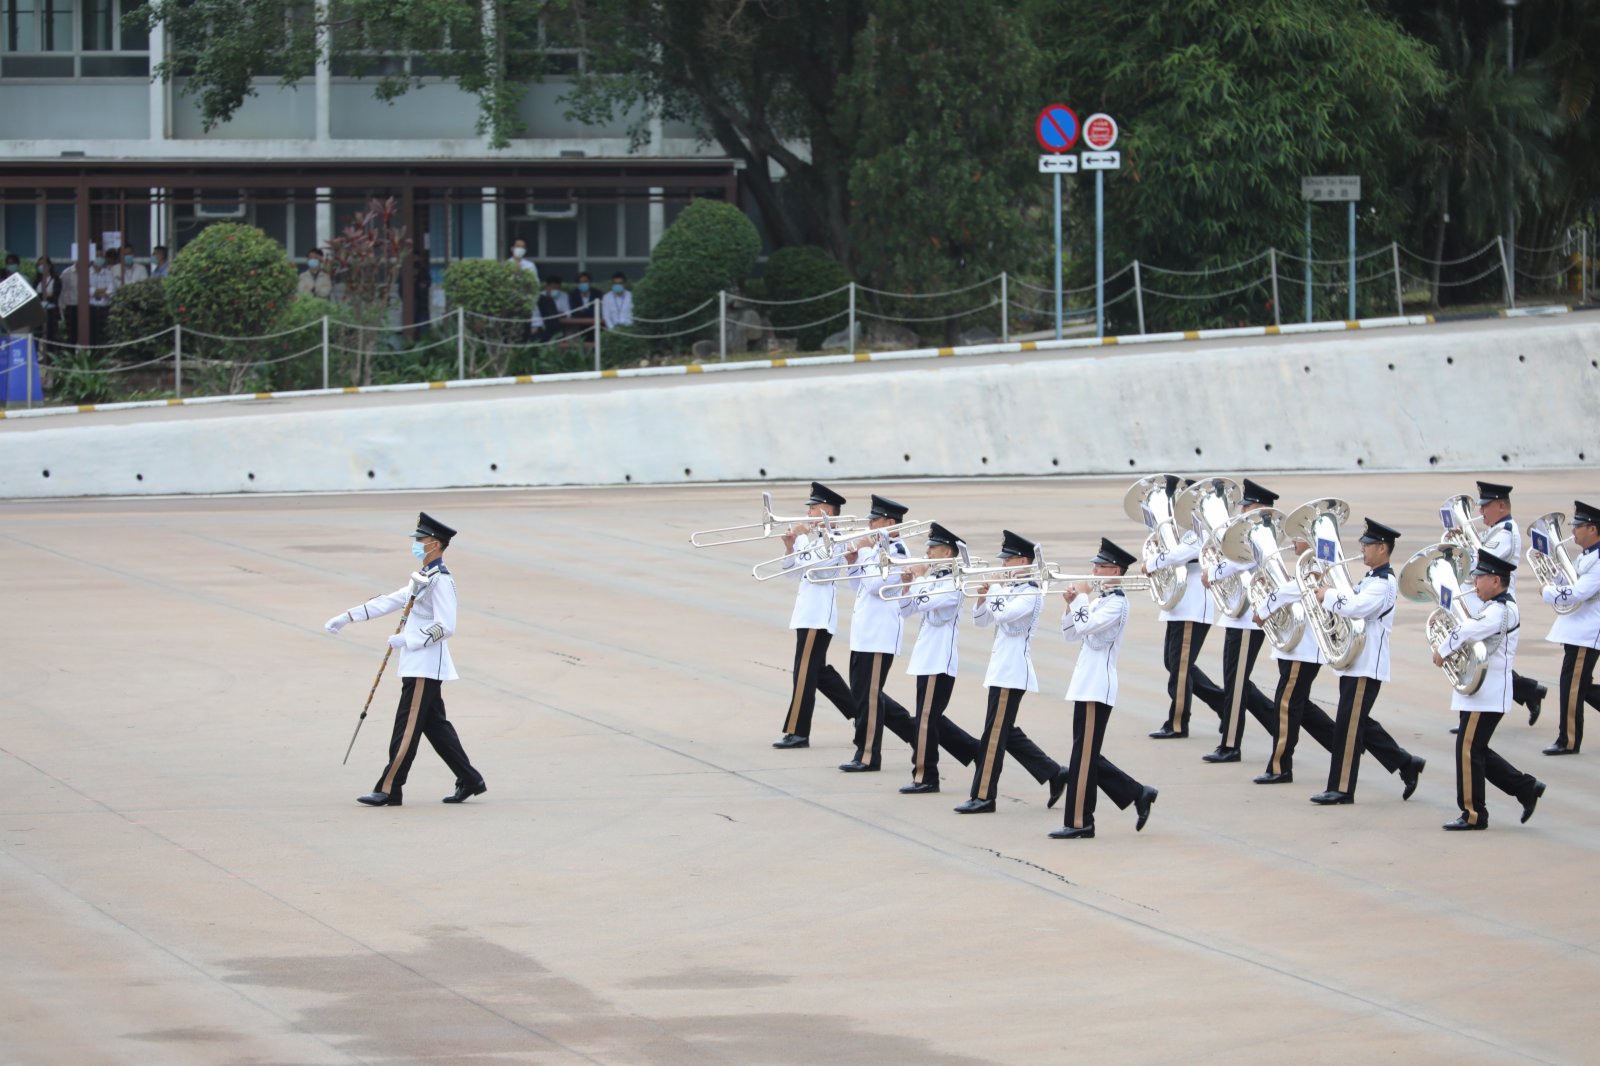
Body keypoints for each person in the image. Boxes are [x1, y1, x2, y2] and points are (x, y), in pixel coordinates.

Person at [323, 512, 486, 807]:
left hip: (425, 665)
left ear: (435, 544)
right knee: (435, 726)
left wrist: (409, 640)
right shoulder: (424, 577)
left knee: (407, 728)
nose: (417, 544)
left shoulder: (441, 581)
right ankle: (470, 779)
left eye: (421, 540)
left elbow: (446, 625)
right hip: (415, 664)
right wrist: (346, 617)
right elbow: (389, 600)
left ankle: (389, 788)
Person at [1308, 518, 1423, 805]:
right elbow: (1349, 597)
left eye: (1367, 545)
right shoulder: (1371, 578)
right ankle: (1406, 763)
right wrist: (1325, 584)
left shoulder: (1384, 583)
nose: (1362, 548)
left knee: (1348, 727)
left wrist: (1328, 595)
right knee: (1358, 722)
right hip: (1355, 661)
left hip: (1366, 664)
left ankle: (1342, 789)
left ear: (1382, 548)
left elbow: (1357, 608)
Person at [954, 530, 1070, 814]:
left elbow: (1005, 616)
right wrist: (982, 598)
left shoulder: (1030, 593)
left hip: (1012, 671)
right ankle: (1053, 773)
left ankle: (984, 796)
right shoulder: (1010, 590)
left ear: (1023, 562)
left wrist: (993, 590)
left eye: (1008, 561)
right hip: (1000, 670)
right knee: (1005, 731)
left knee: (994, 734)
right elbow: (982, 622)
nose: (1004, 566)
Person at [1052, 538, 1159, 839]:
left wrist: (1081, 601)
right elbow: (1071, 634)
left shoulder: (1117, 603)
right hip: (1085, 683)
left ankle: (1079, 822)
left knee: (1082, 756)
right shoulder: (1100, 600)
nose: (1094, 572)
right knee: (1085, 754)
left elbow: (1087, 628)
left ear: (1115, 570)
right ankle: (1138, 793)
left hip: (1098, 686)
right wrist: (1071, 604)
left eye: (1099, 567)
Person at [1434, 552, 1545, 830]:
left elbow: (1470, 629)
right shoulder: (1493, 605)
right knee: (1477, 749)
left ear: (1496, 580)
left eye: (1480, 577)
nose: (1475, 582)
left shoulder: (1501, 610)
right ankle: (1525, 788)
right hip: (1481, 691)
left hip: (1487, 693)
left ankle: (1473, 814)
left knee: (1468, 749)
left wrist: (1443, 649)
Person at [891, 522, 976, 794]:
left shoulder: (953, 582)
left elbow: (926, 602)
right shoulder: (933, 579)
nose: (927, 554)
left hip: (939, 659)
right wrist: (906, 586)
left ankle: (925, 776)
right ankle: (977, 751)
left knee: (926, 720)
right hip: (925, 657)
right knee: (930, 718)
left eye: (933, 548)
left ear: (948, 552)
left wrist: (916, 579)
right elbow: (907, 610)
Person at [771, 483, 857, 749]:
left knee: (804, 674)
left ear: (827, 512)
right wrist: (789, 547)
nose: (808, 514)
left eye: (813, 509)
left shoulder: (836, 539)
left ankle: (798, 731)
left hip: (818, 617)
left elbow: (817, 568)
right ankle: (862, 711)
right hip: (806, 615)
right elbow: (794, 573)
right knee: (818, 673)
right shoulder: (814, 539)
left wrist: (800, 539)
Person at [1200, 478, 1278, 763]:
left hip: (1247, 619)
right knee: (1238, 683)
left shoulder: (1260, 534)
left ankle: (1231, 745)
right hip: (1238, 617)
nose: (1242, 510)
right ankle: (1279, 728)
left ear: (1258, 506)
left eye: (1248, 506)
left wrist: (1215, 572)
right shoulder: (1251, 532)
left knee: (1235, 685)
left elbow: (1242, 560)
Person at [1146, 476, 1227, 738]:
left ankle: (1178, 722)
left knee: (1180, 668)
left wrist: (1154, 562)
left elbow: (1181, 554)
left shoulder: (1204, 529)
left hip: (1192, 605)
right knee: (1175, 664)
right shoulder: (1190, 530)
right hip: (1179, 603)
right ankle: (1222, 703)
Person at [838, 496, 914, 772]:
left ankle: (868, 755)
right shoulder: (876, 549)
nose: (868, 523)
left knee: (869, 698)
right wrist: (853, 560)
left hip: (880, 636)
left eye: (875, 519)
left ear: (889, 523)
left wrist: (866, 552)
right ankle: (918, 734)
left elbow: (874, 586)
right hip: (864, 634)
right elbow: (857, 584)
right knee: (863, 695)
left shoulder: (898, 551)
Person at [1467, 481, 1548, 725]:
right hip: (1482, 599)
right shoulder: (1494, 529)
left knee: (1486, 659)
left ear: (1501, 505)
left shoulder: (1505, 533)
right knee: (1481, 659)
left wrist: (1466, 548)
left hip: (1497, 603)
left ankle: (1527, 691)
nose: (1481, 512)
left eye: (1486, 506)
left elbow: (1477, 564)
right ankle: (1529, 691)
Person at [1539, 499, 1600, 755]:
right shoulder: (1586, 556)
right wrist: (1553, 571)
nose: (1573, 531)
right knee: (1578, 686)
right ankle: (1567, 738)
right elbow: (1568, 580)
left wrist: (1549, 592)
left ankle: (1569, 740)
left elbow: (1581, 592)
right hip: (1577, 630)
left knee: (1572, 687)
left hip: (1587, 632)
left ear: (1593, 529)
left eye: (1578, 526)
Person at [88, 249, 118, 346]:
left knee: (105, 334)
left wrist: (97, 291)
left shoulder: (108, 272)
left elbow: (112, 290)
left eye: (101, 256)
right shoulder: (87, 273)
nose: (99, 258)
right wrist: (100, 291)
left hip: (106, 307)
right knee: (92, 334)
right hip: (92, 307)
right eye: (97, 256)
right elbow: (87, 290)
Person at [534, 274, 572, 343]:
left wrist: (559, 314)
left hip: (559, 325)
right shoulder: (540, 296)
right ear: (547, 287)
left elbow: (568, 312)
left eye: (558, 289)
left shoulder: (564, 295)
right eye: (553, 288)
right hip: (543, 326)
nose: (556, 291)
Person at [33, 258, 61, 345]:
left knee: (51, 337)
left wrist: (42, 295)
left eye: (43, 264)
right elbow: (34, 296)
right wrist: (44, 295)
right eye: (39, 265)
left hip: (51, 311)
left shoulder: (55, 279)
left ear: (49, 266)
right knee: (36, 336)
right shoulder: (37, 281)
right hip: (38, 311)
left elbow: (54, 295)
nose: (41, 267)